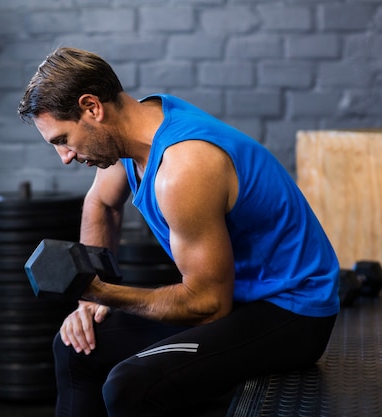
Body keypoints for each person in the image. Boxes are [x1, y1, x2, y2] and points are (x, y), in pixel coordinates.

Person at [18, 47, 339, 417]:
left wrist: (104, 291)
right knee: (76, 346)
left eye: (62, 139)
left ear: (92, 108)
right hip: (238, 298)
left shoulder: (184, 167)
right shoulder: (128, 133)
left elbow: (208, 305)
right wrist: (92, 302)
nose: (65, 157)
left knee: (130, 386)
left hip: (291, 312)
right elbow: (101, 203)